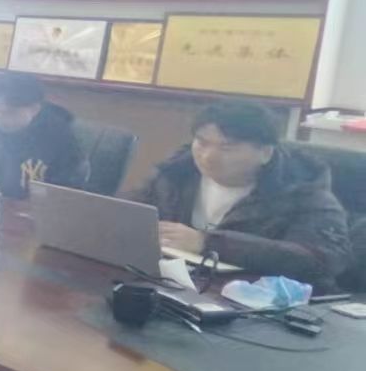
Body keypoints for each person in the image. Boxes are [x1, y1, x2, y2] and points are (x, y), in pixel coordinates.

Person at [128, 101, 352, 288]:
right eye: (202, 143)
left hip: (261, 304)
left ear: (265, 153)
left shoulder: (304, 192)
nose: (208, 156)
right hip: (178, 287)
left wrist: (208, 243)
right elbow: (130, 213)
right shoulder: (176, 174)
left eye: (227, 148)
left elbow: (322, 260)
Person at [0, 73, 86, 198]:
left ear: (34, 109)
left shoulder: (60, 138)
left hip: (32, 206)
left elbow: (65, 193)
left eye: (10, 113)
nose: (0, 119)